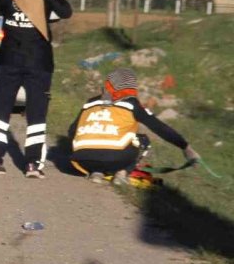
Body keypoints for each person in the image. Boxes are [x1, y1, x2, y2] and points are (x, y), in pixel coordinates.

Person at [0, 0, 72, 179]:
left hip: (8, 58)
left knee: (0, 110)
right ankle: (33, 164)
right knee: (36, 113)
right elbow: (66, 12)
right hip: (39, 62)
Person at [67, 68, 200, 183]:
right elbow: (159, 128)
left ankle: (96, 172)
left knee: (96, 144)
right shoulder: (132, 104)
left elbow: (72, 131)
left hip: (81, 160)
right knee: (143, 140)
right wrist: (185, 147)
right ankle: (122, 173)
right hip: (116, 159)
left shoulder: (90, 102)